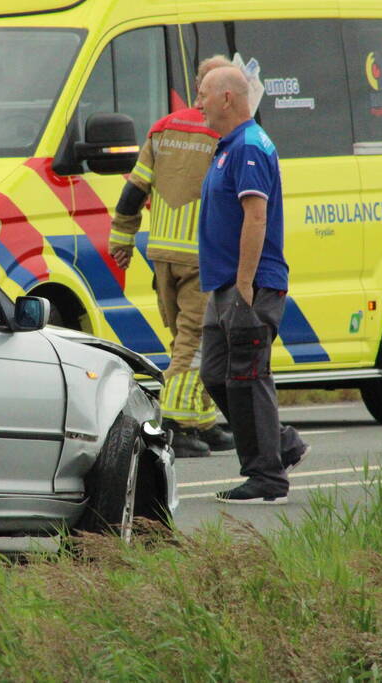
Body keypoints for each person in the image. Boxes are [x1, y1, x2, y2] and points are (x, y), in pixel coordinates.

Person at [107, 55, 234, 458]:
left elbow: (134, 189)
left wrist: (122, 240)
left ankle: (202, 420)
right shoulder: (225, 132)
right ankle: (174, 424)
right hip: (203, 254)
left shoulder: (163, 129)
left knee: (184, 337)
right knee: (195, 342)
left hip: (162, 252)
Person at [196, 66, 307, 504]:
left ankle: (267, 477)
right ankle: (279, 445)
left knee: (247, 375)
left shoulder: (250, 147)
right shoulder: (227, 147)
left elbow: (255, 216)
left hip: (250, 284)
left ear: (227, 98)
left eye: (204, 94)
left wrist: (245, 283)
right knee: (216, 375)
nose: (198, 102)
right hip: (224, 285)